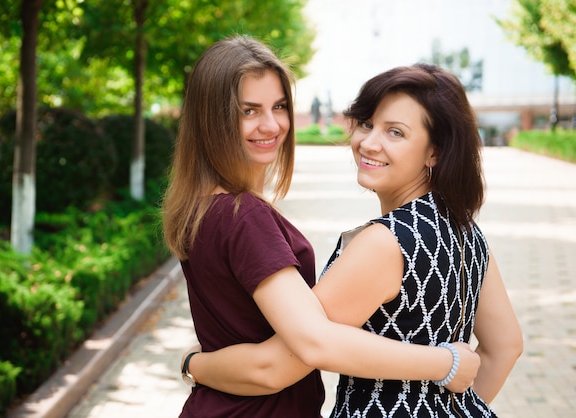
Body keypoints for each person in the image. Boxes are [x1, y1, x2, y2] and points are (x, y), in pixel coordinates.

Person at [179, 62, 524, 417]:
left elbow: (282, 363)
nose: (369, 143)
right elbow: (505, 347)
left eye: (396, 133)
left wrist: (193, 363)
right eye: (366, 124)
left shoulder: (385, 243)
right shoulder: (465, 229)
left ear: (434, 152)